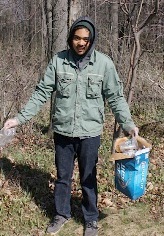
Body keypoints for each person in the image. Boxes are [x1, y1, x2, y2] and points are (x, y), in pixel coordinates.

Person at [4, 16, 139, 236]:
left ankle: (91, 219)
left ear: (92, 40)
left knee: (88, 177)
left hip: (90, 133)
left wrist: (128, 124)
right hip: (63, 132)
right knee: (62, 177)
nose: (81, 43)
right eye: (77, 38)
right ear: (71, 38)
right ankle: (61, 214)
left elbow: (116, 97)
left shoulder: (104, 64)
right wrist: (19, 118)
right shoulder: (58, 61)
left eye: (85, 39)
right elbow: (41, 93)